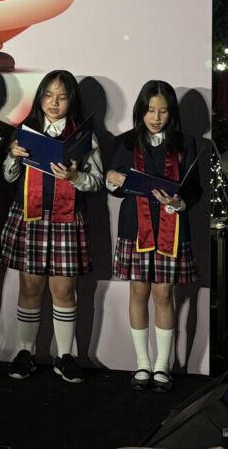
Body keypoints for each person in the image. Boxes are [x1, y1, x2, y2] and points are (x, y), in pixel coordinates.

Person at [1, 70, 102, 383]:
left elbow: (97, 181)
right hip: (30, 215)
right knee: (30, 287)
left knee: (64, 289)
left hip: (67, 218)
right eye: (48, 95)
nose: (54, 102)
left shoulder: (83, 136)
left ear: (72, 101)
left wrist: (75, 177)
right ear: (40, 98)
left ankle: (65, 356)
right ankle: (25, 352)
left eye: (62, 97)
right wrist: (13, 157)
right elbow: (8, 176)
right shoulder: (25, 130)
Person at [106, 81, 200, 391]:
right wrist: (112, 179)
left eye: (163, 111)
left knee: (164, 294)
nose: (156, 118)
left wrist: (179, 203)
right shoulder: (125, 142)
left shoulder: (185, 144)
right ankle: (142, 364)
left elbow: (195, 190)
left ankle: (162, 366)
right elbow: (117, 187)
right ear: (140, 111)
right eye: (150, 110)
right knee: (138, 292)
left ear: (171, 113)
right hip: (135, 229)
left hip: (172, 229)